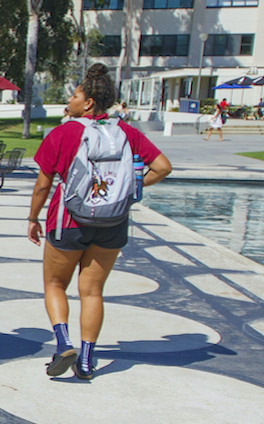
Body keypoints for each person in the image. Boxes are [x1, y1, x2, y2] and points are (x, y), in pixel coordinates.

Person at [25, 63, 171, 381]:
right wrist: (130, 188)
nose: (71, 101)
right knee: (92, 292)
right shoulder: (127, 133)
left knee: (55, 284)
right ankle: (88, 361)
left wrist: (33, 217)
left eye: (75, 95)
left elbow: (42, 184)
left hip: (69, 221)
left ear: (88, 102)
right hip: (113, 222)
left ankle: (63, 343)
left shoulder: (64, 133)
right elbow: (162, 166)